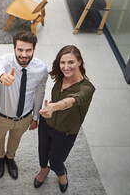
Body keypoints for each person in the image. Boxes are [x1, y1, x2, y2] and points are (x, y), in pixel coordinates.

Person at [34, 45, 95, 193]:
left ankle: (61, 173)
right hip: (47, 123)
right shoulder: (61, 76)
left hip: (65, 131)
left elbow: (72, 100)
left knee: (56, 161)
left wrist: (54, 107)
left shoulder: (87, 88)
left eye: (71, 62)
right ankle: (43, 170)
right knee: (42, 153)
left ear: (79, 62)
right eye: (63, 63)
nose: (66, 67)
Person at [0, 30, 48, 180]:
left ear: (34, 49)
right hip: (2, 116)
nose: (24, 54)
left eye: (28, 50)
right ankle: (0, 157)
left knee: (16, 138)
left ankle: (10, 158)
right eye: (20, 49)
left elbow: (39, 94)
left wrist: (35, 116)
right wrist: (2, 77)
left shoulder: (41, 69)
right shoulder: (4, 61)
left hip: (25, 117)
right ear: (14, 48)